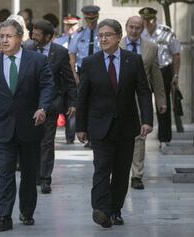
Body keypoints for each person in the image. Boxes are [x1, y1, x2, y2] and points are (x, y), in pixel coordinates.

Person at [76, 19, 153, 228]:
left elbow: (144, 93)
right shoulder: (90, 62)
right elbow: (82, 97)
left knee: (121, 171)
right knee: (101, 168)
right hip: (99, 126)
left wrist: (147, 120)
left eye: (108, 35)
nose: (103, 38)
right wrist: (80, 127)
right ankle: (101, 209)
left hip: (127, 126)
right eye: (100, 35)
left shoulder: (133, 60)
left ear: (119, 37)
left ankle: (116, 209)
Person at [0, 20, 54, 232]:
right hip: (3, 127)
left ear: (20, 37)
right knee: (4, 172)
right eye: (1, 36)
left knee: (30, 174)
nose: (4, 40)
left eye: (9, 36)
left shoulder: (37, 60)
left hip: (31, 126)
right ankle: (4, 215)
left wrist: (43, 108)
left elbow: (48, 86)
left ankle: (27, 211)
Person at [25, 20, 76, 194]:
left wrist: (72, 103)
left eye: (38, 35)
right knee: (32, 141)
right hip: (29, 105)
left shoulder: (60, 52)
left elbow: (69, 80)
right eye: (33, 33)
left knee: (47, 142)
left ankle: (45, 177)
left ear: (48, 37)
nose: (33, 37)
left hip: (51, 105)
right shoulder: (27, 49)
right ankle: (33, 173)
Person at [120, 16, 167, 190]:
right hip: (119, 98)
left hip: (141, 98)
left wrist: (161, 100)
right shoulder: (116, 45)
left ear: (142, 29)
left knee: (140, 136)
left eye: (137, 28)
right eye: (131, 27)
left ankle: (137, 175)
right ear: (126, 27)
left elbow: (157, 76)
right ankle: (120, 170)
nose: (134, 31)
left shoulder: (151, 47)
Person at [139, 7, 181, 147]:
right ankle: (139, 134)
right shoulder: (139, 32)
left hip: (163, 71)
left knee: (163, 104)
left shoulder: (166, 32)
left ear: (154, 19)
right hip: (144, 71)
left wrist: (175, 74)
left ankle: (164, 138)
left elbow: (176, 54)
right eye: (144, 20)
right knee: (141, 102)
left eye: (149, 20)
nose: (147, 23)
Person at [68, 5, 101, 148]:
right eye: (88, 18)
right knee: (84, 104)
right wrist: (75, 75)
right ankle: (86, 133)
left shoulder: (103, 32)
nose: (91, 21)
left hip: (100, 71)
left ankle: (96, 135)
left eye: (93, 18)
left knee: (98, 104)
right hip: (83, 72)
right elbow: (72, 56)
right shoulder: (79, 34)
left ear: (97, 17)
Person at [54, 15, 80, 144]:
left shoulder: (82, 38)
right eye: (67, 25)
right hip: (62, 79)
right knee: (63, 106)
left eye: (73, 25)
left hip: (78, 76)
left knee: (73, 105)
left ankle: (71, 136)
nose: (70, 28)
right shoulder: (58, 41)